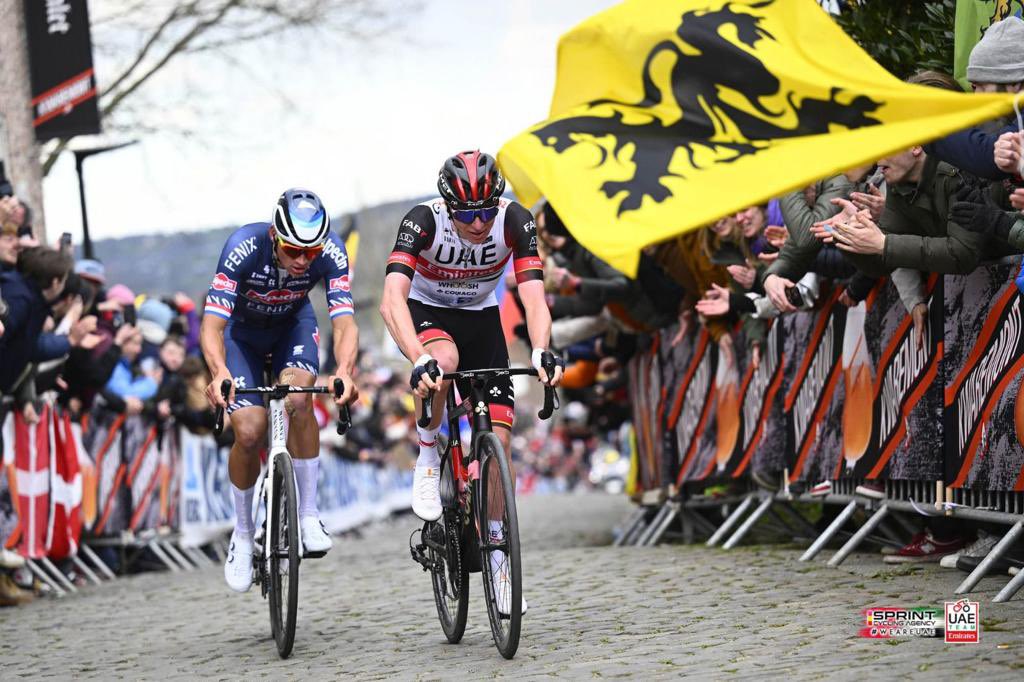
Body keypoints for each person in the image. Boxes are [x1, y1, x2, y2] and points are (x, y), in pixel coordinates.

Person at [379, 151, 563, 615]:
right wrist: (416, 357)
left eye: (486, 210)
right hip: (427, 312)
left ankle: (499, 564)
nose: (480, 224)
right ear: (448, 206)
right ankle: (426, 453)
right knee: (444, 360)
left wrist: (541, 348)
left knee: (499, 441)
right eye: (467, 214)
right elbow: (390, 300)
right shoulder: (423, 220)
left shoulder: (514, 220)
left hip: (482, 318)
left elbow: (534, 297)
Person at [200, 188, 359, 593]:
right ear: (275, 235)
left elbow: (343, 322)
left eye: (311, 253)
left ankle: (307, 514)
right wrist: (218, 371)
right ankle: (241, 531)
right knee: (250, 431)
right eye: (294, 250)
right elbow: (213, 325)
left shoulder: (331, 251)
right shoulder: (242, 246)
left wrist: (344, 369)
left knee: (300, 399)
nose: (304, 260)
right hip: (243, 337)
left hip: (292, 328)